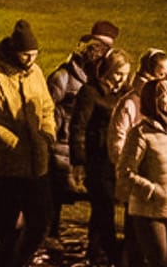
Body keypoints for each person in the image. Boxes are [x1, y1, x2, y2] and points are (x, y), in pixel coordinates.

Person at [0, 19, 57, 267]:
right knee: (5, 228)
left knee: (40, 221)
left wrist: (48, 132)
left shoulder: (36, 73)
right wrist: (11, 141)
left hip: (36, 163)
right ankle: (0, 260)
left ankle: (15, 262)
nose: (30, 59)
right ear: (14, 52)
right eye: (25, 55)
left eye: (34, 54)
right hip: (5, 167)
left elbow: (47, 107)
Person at [50, 21, 118, 237]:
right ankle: (51, 236)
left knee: (97, 199)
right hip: (63, 143)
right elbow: (48, 108)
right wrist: (57, 131)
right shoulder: (63, 77)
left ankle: (96, 245)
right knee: (56, 195)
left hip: (88, 144)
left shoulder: (99, 80)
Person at [118, 77, 167, 267]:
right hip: (149, 210)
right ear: (152, 101)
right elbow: (125, 172)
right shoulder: (141, 133)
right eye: (162, 96)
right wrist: (151, 190)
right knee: (160, 261)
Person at [72, 49, 132, 266]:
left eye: (125, 74)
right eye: (117, 73)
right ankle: (107, 250)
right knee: (103, 206)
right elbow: (78, 127)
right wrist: (78, 161)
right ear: (107, 71)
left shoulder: (125, 93)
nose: (122, 78)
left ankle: (97, 248)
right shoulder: (90, 93)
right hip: (97, 158)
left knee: (106, 208)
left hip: (118, 158)